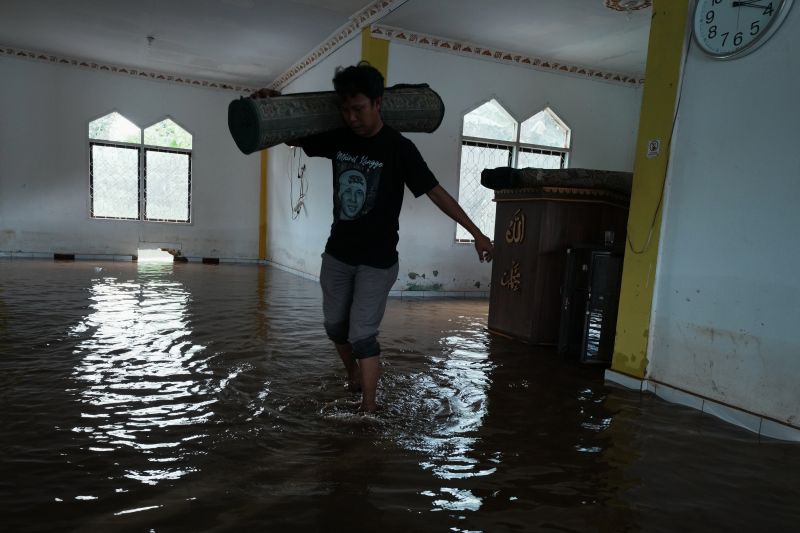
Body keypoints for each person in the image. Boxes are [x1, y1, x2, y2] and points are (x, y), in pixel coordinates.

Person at [253, 62, 493, 413]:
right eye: (345, 110)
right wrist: (270, 107)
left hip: (378, 262)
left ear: (378, 104)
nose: (351, 118)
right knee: (335, 326)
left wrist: (476, 233)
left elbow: (436, 192)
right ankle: (352, 373)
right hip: (337, 255)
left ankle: (369, 408)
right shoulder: (338, 137)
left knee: (362, 335)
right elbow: (293, 134)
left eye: (359, 109)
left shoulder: (399, 148)